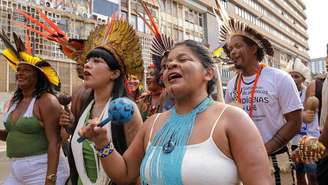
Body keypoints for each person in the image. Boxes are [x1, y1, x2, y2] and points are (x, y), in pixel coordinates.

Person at [79, 40, 272, 185]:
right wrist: (103, 143)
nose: (170, 65)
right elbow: (125, 173)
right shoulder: (152, 124)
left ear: (209, 73)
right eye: (167, 65)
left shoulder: (233, 120)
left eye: (183, 59)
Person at [213, 0, 303, 184]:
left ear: (253, 48)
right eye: (230, 49)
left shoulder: (279, 78)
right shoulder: (231, 85)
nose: (232, 52)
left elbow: (295, 121)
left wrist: (265, 148)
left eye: (238, 46)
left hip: (276, 158)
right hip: (242, 159)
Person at [58, 18, 144, 185]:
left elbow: (135, 172)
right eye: (88, 61)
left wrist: (102, 142)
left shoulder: (126, 109)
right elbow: (64, 141)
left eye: (97, 61)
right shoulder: (84, 103)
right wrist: (69, 126)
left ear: (115, 74)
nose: (87, 65)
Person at [0, 31, 69, 184]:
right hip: (17, 169)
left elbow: (55, 142)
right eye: (18, 70)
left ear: (38, 76)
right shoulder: (16, 101)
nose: (20, 73)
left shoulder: (46, 101)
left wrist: (50, 179)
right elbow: (15, 134)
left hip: (42, 169)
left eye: (26, 70)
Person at [287, 59, 319, 185]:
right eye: (291, 76)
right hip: (294, 140)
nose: (293, 78)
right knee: (299, 174)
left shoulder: (309, 92)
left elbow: (311, 115)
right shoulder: (286, 93)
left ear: (303, 78)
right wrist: (302, 116)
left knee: (312, 174)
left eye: (296, 76)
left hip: (310, 139)